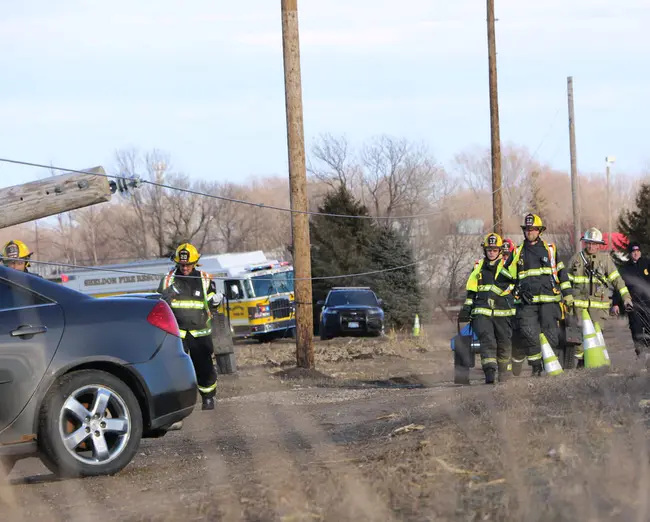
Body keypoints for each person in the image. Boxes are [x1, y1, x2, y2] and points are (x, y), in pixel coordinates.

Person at [504, 213, 574, 376]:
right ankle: (536, 366)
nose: (530, 232)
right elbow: (506, 277)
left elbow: (561, 272)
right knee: (529, 334)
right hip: (526, 303)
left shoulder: (550, 250)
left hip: (549, 302)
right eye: (527, 229)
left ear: (539, 231)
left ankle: (550, 364)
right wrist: (517, 292)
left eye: (533, 229)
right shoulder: (518, 252)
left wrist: (568, 294)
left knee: (551, 336)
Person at [158, 243, 223, 410]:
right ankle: (176, 403)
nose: (185, 267)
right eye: (182, 264)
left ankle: (208, 398)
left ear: (195, 262)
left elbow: (210, 304)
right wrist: (169, 292)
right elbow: (160, 304)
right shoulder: (168, 279)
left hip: (200, 333)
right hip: (176, 333)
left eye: (188, 264)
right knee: (174, 368)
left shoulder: (205, 279)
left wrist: (215, 302)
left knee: (204, 367)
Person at [566, 228, 632, 367]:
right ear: (585, 243)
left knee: (596, 338)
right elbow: (566, 281)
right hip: (579, 306)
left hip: (598, 308)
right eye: (588, 243)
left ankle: (594, 368)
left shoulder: (605, 260)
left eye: (594, 243)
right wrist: (566, 297)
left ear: (599, 245)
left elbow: (617, 280)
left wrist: (626, 297)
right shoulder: (576, 259)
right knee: (578, 339)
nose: (591, 246)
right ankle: (581, 364)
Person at [459, 233, 515, 384]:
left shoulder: (507, 266)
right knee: (488, 341)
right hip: (482, 312)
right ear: (485, 250)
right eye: (489, 249)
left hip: (503, 312)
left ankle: (504, 372)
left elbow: (513, 286)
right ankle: (489, 372)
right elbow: (472, 289)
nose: (491, 252)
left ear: (500, 251)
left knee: (504, 342)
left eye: (494, 250)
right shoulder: (478, 266)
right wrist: (467, 307)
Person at [613, 242, 650, 369]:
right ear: (630, 253)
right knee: (636, 330)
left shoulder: (647, 264)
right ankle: (640, 354)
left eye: (638, 251)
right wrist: (616, 303)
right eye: (633, 251)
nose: (636, 253)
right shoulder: (625, 269)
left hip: (648, 304)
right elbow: (618, 287)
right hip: (633, 305)